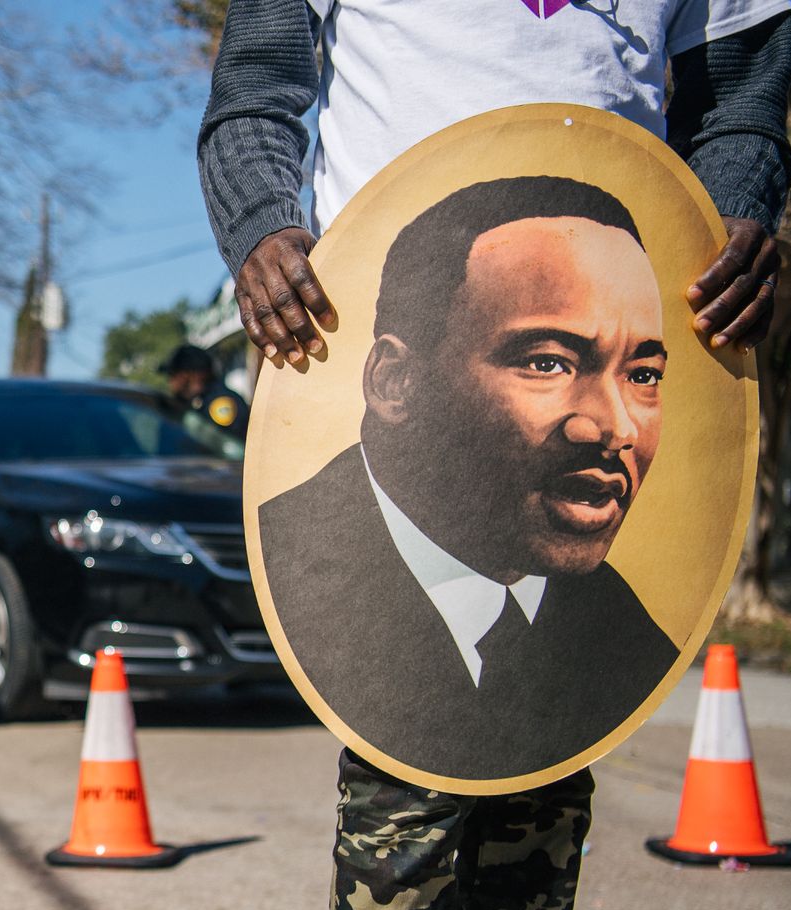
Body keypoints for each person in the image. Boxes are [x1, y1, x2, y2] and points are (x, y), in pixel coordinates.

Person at [198, 1, 791, 910]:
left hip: (620, 296)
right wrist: (261, 228)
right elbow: (256, 95)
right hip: (365, 331)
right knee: (408, 811)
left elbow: (739, 107)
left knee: (537, 834)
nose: (603, 421)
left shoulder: (621, 613)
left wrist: (738, 215)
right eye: (541, 361)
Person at [259, 175, 679, 782]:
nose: (615, 429)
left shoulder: (632, 641)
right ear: (395, 383)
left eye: (642, 375)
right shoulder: (292, 559)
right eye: (546, 363)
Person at [162, 343, 249, 440]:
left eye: (173, 374)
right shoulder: (196, 402)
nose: (171, 382)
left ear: (193, 374)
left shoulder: (218, 402)